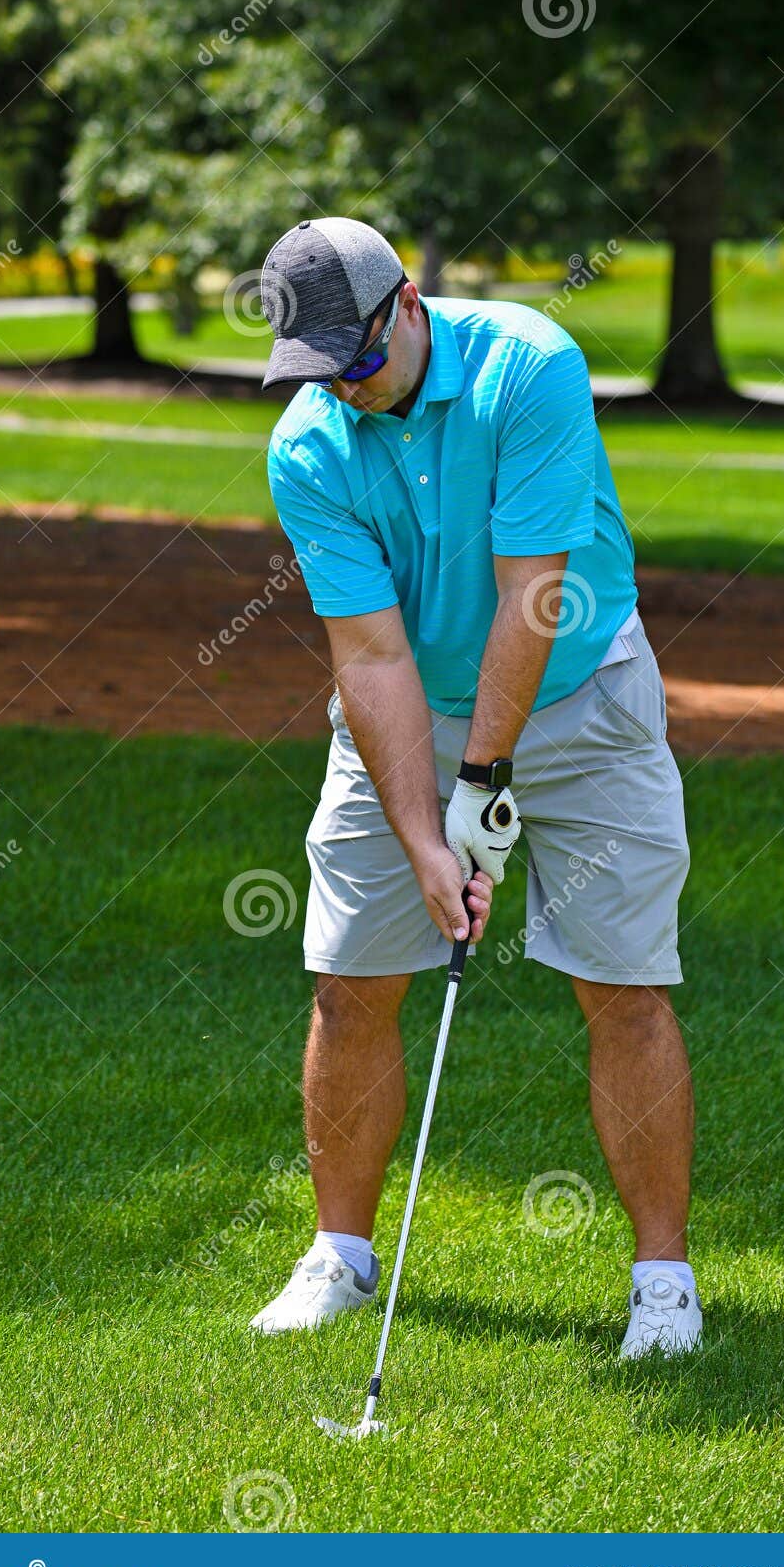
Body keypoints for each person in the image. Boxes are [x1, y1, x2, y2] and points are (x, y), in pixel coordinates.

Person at [248, 216, 699, 1358]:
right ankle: (340, 1256)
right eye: (316, 371)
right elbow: (372, 658)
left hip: (582, 687)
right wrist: (422, 832)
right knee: (350, 981)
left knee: (623, 984)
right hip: (406, 714)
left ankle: (660, 1282)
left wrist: (482, 785)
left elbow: (532, 597)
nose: (342, 390)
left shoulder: (527, 365)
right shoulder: (306, 447)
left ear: (408, 304)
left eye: (355, 360)